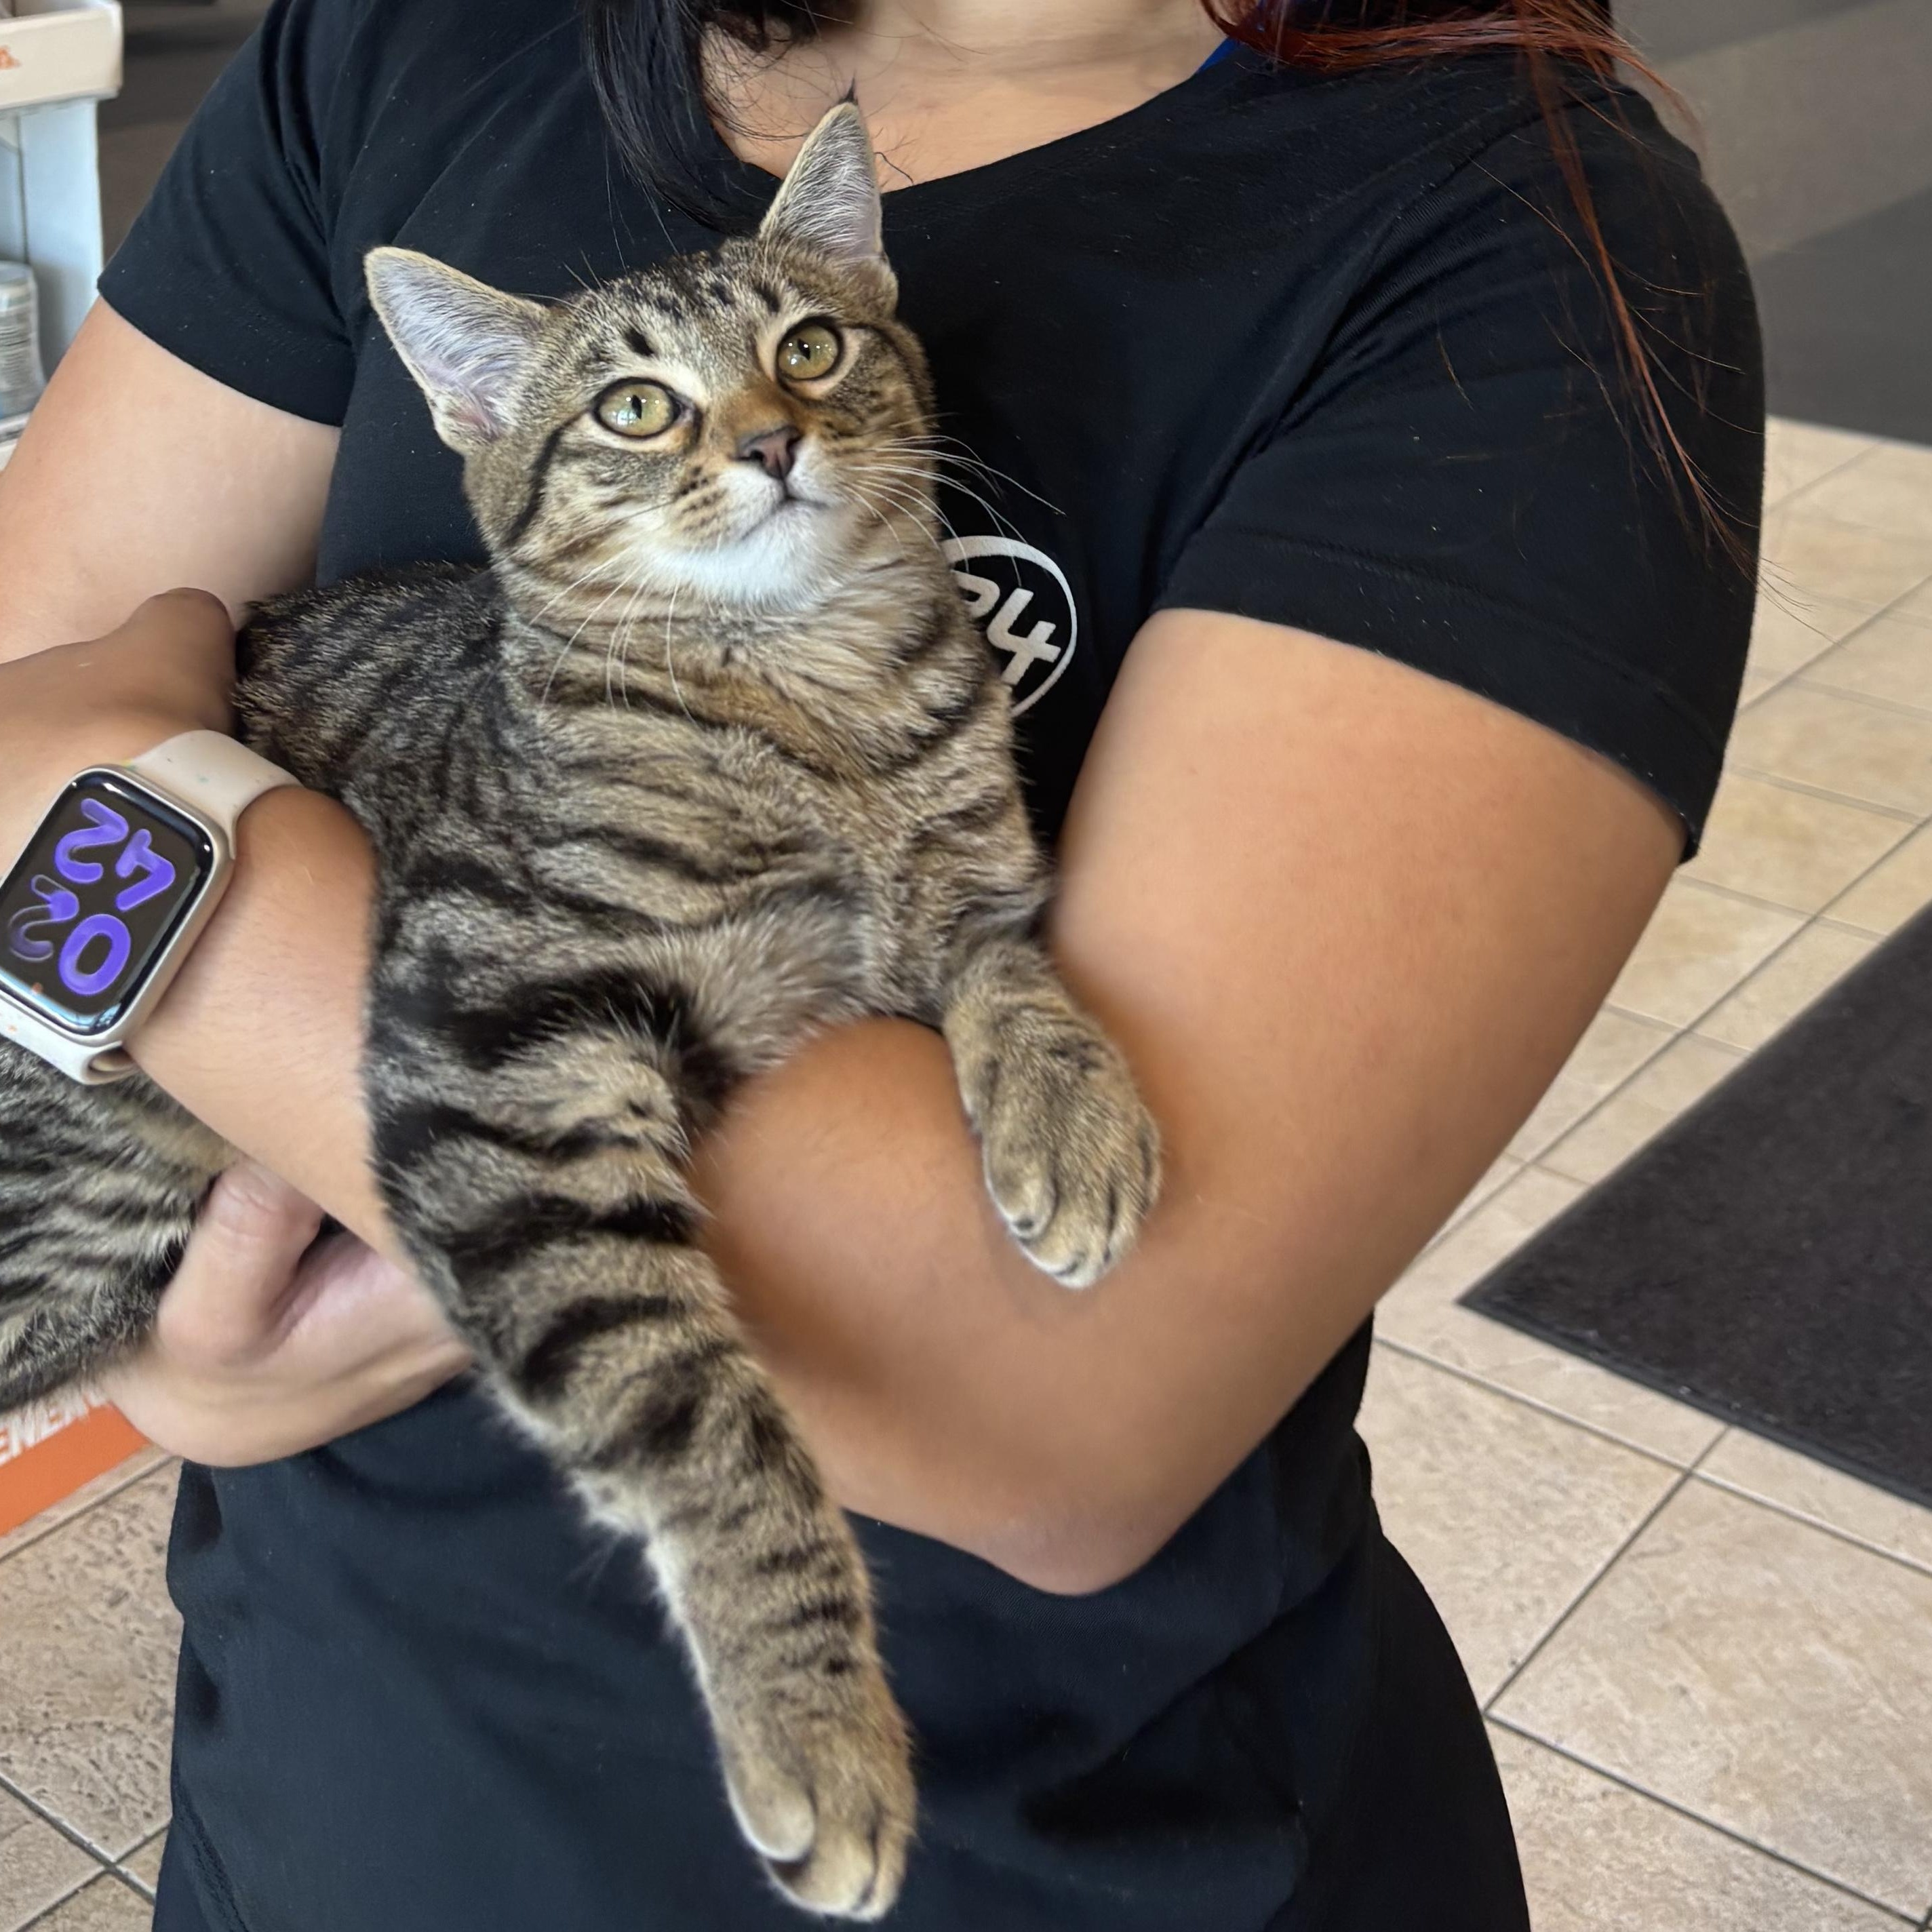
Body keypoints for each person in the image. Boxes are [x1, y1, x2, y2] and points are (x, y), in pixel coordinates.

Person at [0, 1, 1761, 1925]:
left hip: (1047, 1851)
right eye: (653, 413)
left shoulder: (1516, 238)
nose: (756, 436)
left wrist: (121, 822)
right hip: (330, 1776)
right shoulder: (408, 41)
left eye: (804, 361)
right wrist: (181, 1359)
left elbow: (1054, 1396)